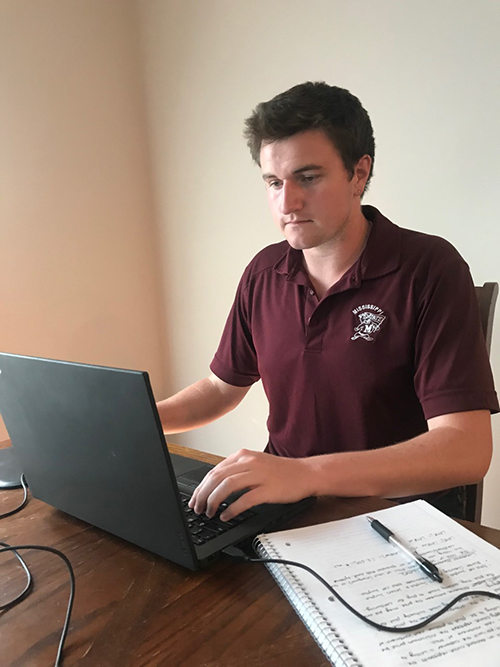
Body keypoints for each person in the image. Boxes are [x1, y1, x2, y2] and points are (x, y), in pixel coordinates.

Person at [156, 82, 498, 522]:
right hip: (285, 507)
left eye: (308, 178)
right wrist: (140, 421)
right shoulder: (264, 272)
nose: (287, 202)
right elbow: (221, 388)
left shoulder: (430, 269)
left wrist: (306, 474)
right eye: (274, 182)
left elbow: (466, 450)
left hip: (398, 518)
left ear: (359, 173)